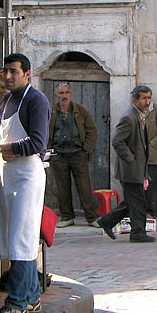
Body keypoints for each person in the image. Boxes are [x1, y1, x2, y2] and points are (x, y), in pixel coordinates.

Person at [0, 53, 51, 313]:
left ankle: (16, 303)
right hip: (8, 174)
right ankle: (32, 297)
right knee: (15, 238)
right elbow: (0, 134)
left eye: (13, 72)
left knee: (22, 239)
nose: (8, 77)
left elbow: (37, 143)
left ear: (27, 74)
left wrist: (3, 148)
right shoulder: (8, 100)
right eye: (5, 72)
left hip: (26, 176)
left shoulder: (37, 101)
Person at [96, 85, 154, 243]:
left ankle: (107, 221)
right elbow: (117, 140)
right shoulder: (129, 117)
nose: (147, 102)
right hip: (130, 169)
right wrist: (130, 158)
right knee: (138, 202)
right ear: (135, 100)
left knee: (133, 201)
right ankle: (137, 233)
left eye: (149, 98)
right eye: (143, 98)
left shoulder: (140, 116)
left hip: (137, 168)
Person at [48, 83, 100, 228]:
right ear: (56, 95)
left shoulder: (80, 111)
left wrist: (85, 149)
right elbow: (45, 132)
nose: (64, 96)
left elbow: (93, 131)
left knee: (84, 187)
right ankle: (67, 217)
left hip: (78, 154)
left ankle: (91, 217)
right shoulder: (51, 112)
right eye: (61, 93)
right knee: (62, 187)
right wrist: (48, 150)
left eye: (67, 93)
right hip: (59, 155)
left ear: (71, 94)